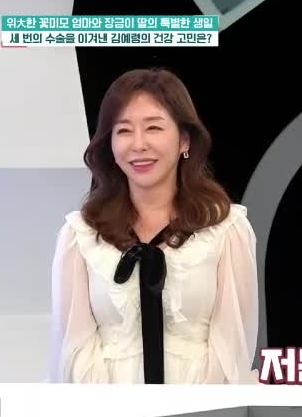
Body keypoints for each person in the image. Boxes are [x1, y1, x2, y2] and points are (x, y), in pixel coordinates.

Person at [49, 68, 259, 384]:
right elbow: (73, 347)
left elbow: (232, 349)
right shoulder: (80, 235)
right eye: (123, 131)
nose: (139, 144)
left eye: (154, 128)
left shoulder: (226, 229)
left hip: (201, 406)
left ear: (184, 140)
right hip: (106, 408)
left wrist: (194, 412)